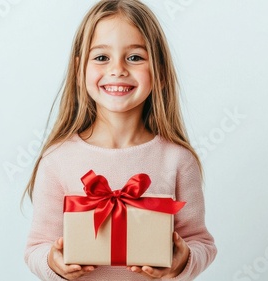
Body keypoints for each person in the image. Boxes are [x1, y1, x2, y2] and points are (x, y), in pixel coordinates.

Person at [23, 0, 217, 280]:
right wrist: (52, 262)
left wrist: (184, 259)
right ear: (80, 71)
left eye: (135, 57)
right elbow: (36, 246)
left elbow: (201, 242)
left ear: (160, 72)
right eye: (101, 58)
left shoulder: (178, 160)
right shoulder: (57, 160)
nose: (118, 70)